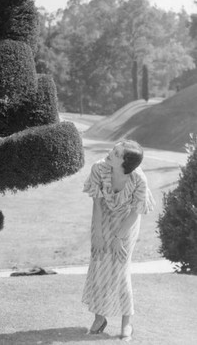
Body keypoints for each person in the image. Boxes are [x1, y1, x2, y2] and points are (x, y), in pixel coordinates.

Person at [82, 140, 155, 341]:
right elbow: (96, 204)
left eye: (115, 153)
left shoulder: (139, 179)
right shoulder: (98, 168)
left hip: (127, 222)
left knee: (120, 270)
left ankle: (126, 323)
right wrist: (97, 234)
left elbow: (136, 212)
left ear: (125, 162)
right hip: (103, 218)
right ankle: (99, 319)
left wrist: (118, 237)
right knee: (98, 265)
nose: (109, 153)